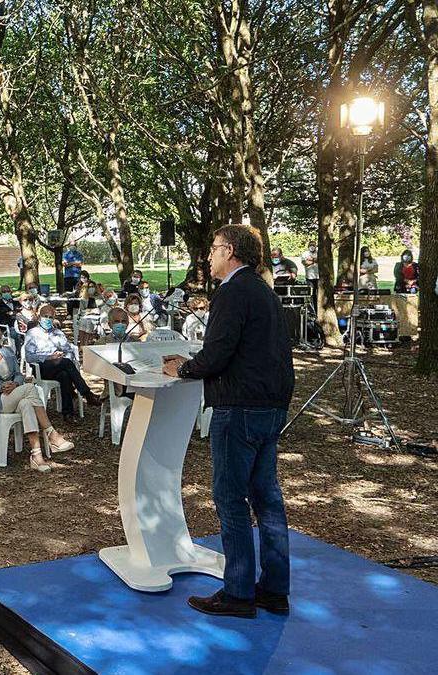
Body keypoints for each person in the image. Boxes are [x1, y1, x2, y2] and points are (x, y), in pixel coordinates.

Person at [162, 224, 294, 619]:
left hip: (240, 409)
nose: (208, 256)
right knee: (267, 500)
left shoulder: (233, 292)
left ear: (231, 251)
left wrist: (183, 370)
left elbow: (217, 352)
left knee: (230, 498)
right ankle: (273, 590)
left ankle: (238, 593)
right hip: (270, 406)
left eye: (214, 249)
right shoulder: (264, 291)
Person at [0, 322, 73, 472]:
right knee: (30, 388)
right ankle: (52, 434)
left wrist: (15, 384)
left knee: (26, 404)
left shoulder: (7, 352)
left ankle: (36, 456)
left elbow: (18, 374)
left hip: (15, 394)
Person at [23, 303, 102, 419]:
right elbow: (29, 357)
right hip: (42, 367)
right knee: (67, 363)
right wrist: (49, 357)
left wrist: (61, 356)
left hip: (59, 365)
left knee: (65, 374)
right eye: (45, 316)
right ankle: (87, 394)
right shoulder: (32, 333)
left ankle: (68, 413)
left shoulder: (58, 333)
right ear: (39, 317)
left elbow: (68, 350)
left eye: (51, 317)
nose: (48, 320)